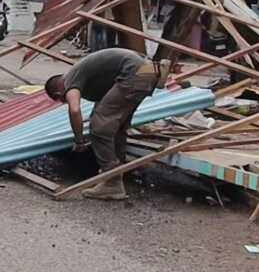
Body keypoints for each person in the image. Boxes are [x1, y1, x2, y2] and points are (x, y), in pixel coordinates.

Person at [44, 49, 170, 200]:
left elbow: (75, 110)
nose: (66, 100)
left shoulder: (69, 81)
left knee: (99, 127)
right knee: (116, 126)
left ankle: (112, 182)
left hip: (133, 73)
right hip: (147, 70)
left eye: (62, 100)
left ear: (58, 94)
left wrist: (79, 140)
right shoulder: (88, 76)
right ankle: (117, 172)